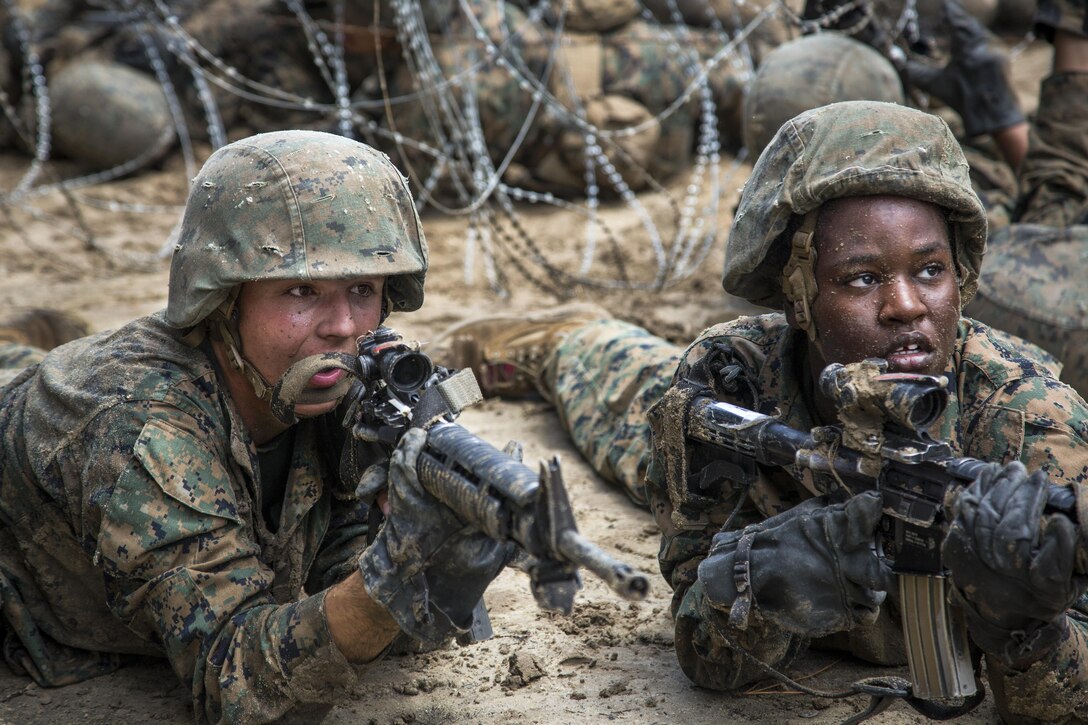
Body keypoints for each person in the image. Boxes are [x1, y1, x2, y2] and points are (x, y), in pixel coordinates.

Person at [434, 14, 1088, 720]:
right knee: (615, 387)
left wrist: (1026, 627)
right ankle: (564, 334)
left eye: (931, 270)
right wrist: (762, 582)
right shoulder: (730, 382)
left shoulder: (1031, 420)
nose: (906, 306)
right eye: (862, 279)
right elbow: (703, 649)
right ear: (800, 296)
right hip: (763, 417)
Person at [0, 130, 510, 723]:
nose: (343, 326)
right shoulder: (141, 428)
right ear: (223, 300)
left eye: (363, 290)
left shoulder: (329, 383)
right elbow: (240, 682)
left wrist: (435, 555)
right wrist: (391, 578)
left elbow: (336, 576)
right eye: (302, 290)